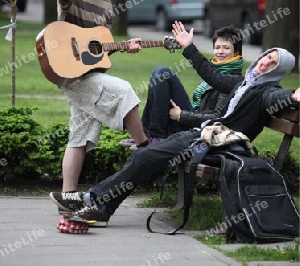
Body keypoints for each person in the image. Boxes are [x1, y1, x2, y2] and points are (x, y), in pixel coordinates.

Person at [50, 20, 300, 223]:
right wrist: (188, 47)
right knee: (143, 156)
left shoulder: (266, 92)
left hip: (218, 146)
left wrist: (291, 96)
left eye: (273, 63)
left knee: (144, 156)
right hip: (203, 136)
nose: (265, 62)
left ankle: (93, 202)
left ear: (278, 71)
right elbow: (210, 74)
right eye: (267, 56)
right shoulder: (242, 83)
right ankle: (98, 205)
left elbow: (277, 98)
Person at [53, 0, 149, 201]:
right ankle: (144, 147)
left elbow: (97, 49)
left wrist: (124, 47)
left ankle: (68, 197)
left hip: (90, 71)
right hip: (72, 75)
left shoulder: (106, 5)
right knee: (125, 91)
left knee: (80, 137)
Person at [120, 25, 244, 150]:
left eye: (226, 48)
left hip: (201, 129)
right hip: (194, 118)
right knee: (160, 74)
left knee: (163, 73)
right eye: (217, 47)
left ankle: (156, 136)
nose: (220, 52)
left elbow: (217, 119)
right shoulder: (216, 71)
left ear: (237, 52)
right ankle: (146, 135)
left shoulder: (232, 80)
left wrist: (181, 115)